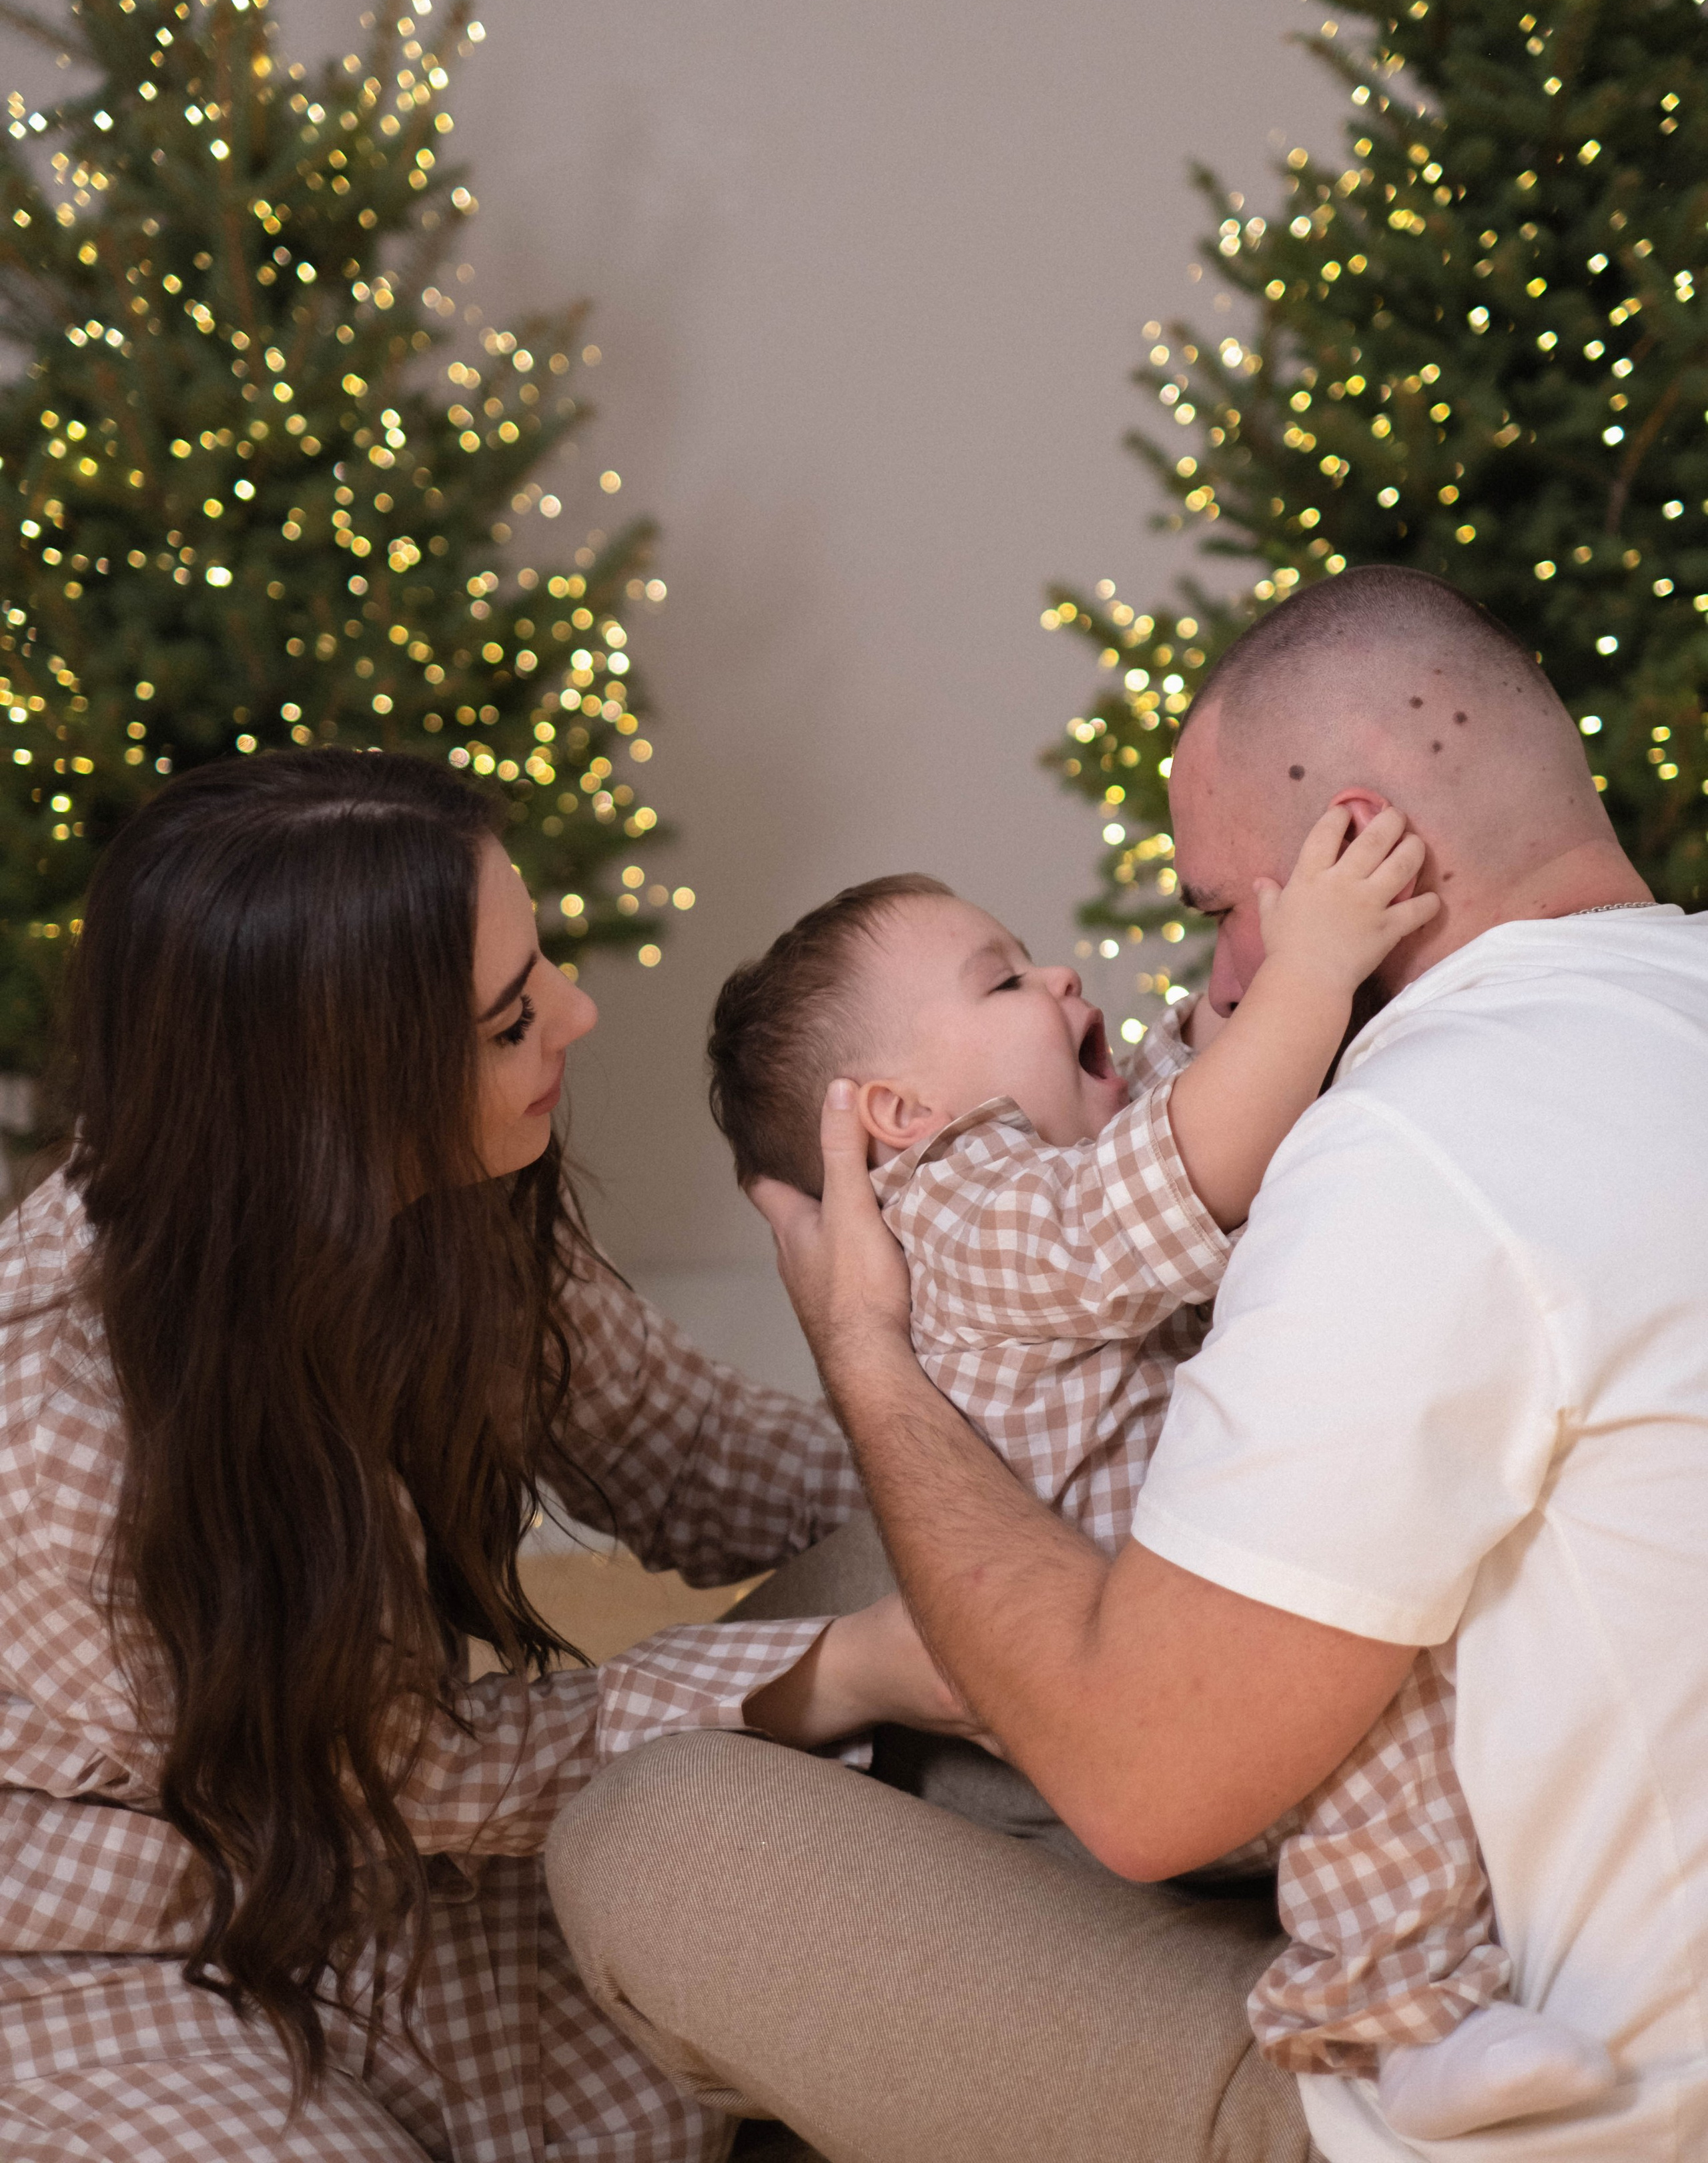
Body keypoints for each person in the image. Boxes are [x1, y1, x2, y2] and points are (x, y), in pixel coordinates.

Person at [548, 566, 1708, 2163]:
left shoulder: (1409, 1153)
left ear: (1359, 852)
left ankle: (1377, 2012)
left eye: (1224, 914)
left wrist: (863, 1359)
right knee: (858, 1582)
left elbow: (1148, 1786)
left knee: (654, 1840)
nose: (1216, 979)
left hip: (1577, 2104)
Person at [0, 748, 971, 2163]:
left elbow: (691, 1455)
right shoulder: (70, 1428)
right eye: (512, 1019)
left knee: (800, 1999)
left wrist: (984, 1486)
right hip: (111, 1947)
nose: (577, 1014)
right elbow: (420, 1776)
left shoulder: (435, 1200)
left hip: (364, 1875)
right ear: (338, 1098)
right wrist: (848, 1668)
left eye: (545, 967)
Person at [699, 831, 1609, 2140]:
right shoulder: (952, 1214)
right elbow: (1169, 1180)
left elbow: (1170, 1128)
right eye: (1001, 983)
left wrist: (1222, 1024)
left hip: (1144, 1620)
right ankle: (1390, 2019)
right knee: (1369, 1713)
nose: (1062, 978)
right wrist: (1309, 969)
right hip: (1130, 1687)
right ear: (894, 1119)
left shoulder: (1039, 1171)